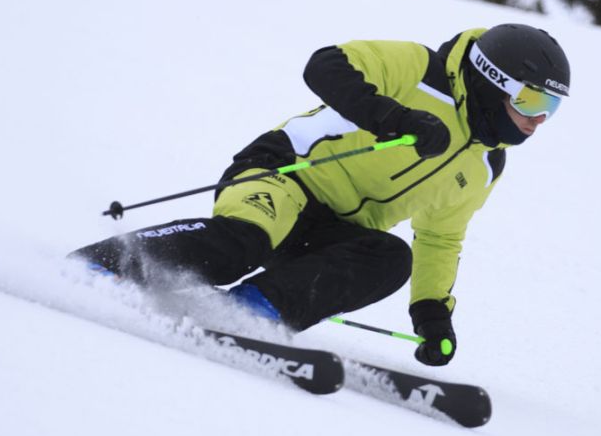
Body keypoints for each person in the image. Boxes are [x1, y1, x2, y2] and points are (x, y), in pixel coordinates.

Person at [70, 23, 571, 366]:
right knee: (246, 240)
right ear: (491, 79)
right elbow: (325, 65)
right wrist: (394, 118)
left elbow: (440, 240)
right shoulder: (420, 70)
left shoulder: (485, 164)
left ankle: (246, 315)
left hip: (336, 232)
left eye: (550, 106)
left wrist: (432, 313)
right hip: (285, 174)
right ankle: (101, 264)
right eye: (530, 98)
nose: (537, 118)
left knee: (389, 258)